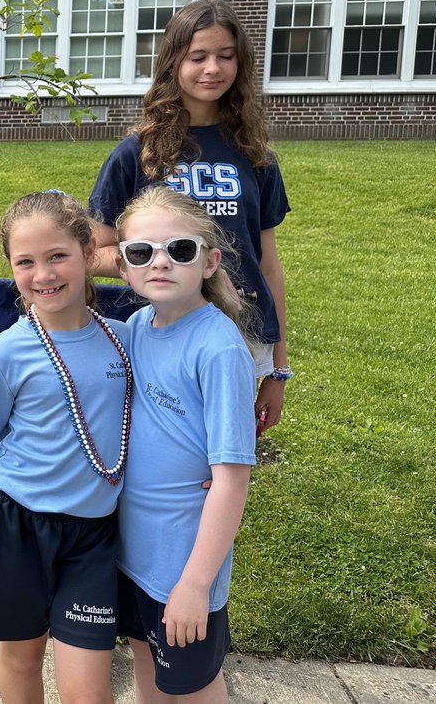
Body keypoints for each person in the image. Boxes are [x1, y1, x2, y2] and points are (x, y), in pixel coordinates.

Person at [0, 190, 133, 704]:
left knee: (88, 693)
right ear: (10, 268)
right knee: (22, 658)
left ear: (86, 252)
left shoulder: (125, 339)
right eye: (25, 262)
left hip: (93, 536)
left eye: (58, 256)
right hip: (17, 525)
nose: (44, 275)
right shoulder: (6, 353)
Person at [88, 0, 291, 437]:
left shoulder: (256, 156)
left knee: (223, 454)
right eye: (197, 57)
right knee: (160, 445)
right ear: (172, 62)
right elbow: (95, 253)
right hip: (160, 328)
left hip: (240, 329)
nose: (212, 68)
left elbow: (268, 264)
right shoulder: (136, 154)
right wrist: (159, 263)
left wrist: (278, 367)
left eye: (226, 56)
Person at [114, 185, 256, 703]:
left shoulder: (218, 349)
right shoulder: (134, 328)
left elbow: (232, 478)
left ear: (210, 261)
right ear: (124, 268)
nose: (160, 262)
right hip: (135, 556)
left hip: (184, 564)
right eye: (140, 252)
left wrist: (196, 584)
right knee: (148, 669)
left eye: (179, 249)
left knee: (193, 688)